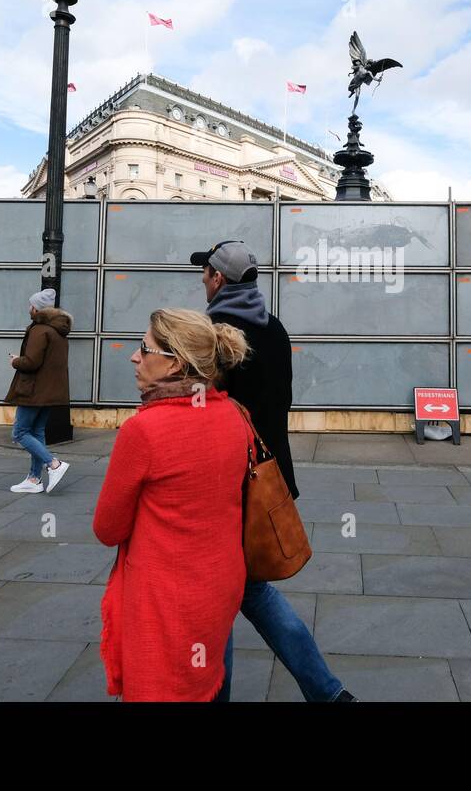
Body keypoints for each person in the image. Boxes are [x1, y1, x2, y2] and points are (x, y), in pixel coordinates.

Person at [191, 239, 357, 702]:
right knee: (249, 591)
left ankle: (218, 696)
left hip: (226, 481)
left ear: (218, 279)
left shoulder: (213, 335)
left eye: (204, 274)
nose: (202, 281)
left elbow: (203, 410)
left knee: (221, 594)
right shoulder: (276, 328)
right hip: (269, 475)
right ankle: (328, 693)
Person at [93, 307, 252, 701]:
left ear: (174, 363)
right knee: (207, 680)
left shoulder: (144, 431)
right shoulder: (235, 415)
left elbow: (107, 529)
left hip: (165, 600)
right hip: (219, 584)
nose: (134, 357)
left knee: (162, 687)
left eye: (144, 349)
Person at [4, 288, 71, 494]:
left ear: (37, 308)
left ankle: (54, 464)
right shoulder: (58, 331)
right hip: (50, 391)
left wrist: (16, 361)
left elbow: (32, 362)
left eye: (30, 305)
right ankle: (34, 479)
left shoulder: (39, 330)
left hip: (33, 390)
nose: (29, 308)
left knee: (20, 432)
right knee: (37, 432)